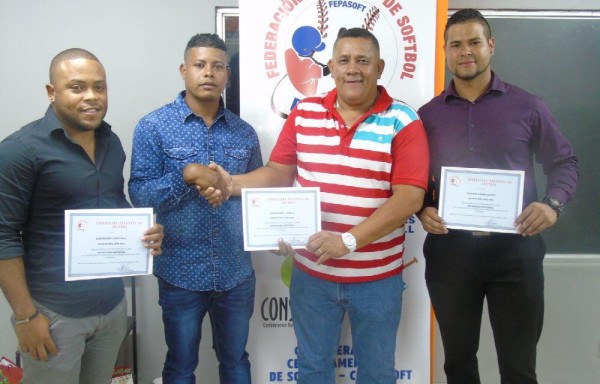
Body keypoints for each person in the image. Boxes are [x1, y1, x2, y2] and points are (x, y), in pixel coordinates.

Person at [191, 27, 429, 384]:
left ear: (379, 67)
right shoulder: (304, 113)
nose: (353, 69)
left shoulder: (403, 120)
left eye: (363, 61)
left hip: (377, 281)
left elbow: (410, 197)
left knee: (377, 375)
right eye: (344, 60)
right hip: (312, 276)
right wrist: (230, 185)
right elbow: (277, 173)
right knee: (313, 371)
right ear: (330, 66)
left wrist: (347, 241)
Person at [417, 9, 579, 384]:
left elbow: (565, 161)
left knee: (519, 368)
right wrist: (422, 207)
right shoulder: (427, 115)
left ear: (491, 45)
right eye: (455, 45)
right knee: (457, 365)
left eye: (474, 42)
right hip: (450, 255)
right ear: (445, 52)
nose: (465, 51)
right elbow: (414, 179)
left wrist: (552, 205)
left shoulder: (528, 106)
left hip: (515, 254)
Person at [0, 48, 164, 384]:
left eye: (99, 87)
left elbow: (113, 203)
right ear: (52, 92)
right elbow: (3, 236)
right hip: (54, 314)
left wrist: (144, 231)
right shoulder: (20, 150)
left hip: (111, 307)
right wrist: (25, 317)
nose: (92, 97)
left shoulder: (111, 141)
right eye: (77, 87)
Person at [128, 33, 263, 384]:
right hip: (180, 273)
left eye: (218, 66)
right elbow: (139, 194)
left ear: (228, 75)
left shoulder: (245, 134)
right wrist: (186, 176)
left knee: (236, 361)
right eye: (200, 65)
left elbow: (254, 193)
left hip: (235, 272)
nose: (209, 73)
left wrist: (233, 192)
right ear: (184, 70)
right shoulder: (153, 126)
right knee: (180, 365)